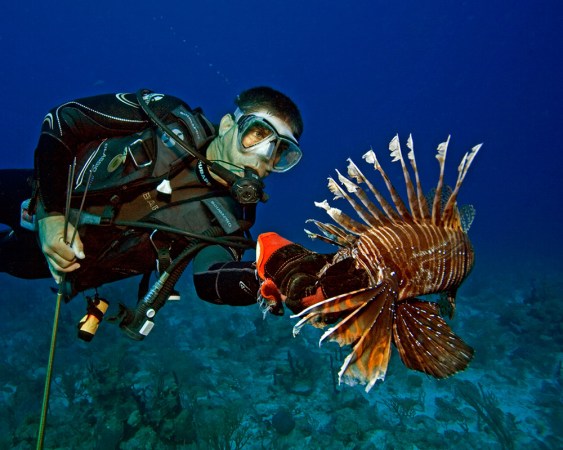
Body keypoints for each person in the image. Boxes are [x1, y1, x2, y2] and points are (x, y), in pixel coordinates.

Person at [0, 87, 311, 336]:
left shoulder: (232, 218)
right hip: (36, 194)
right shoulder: (165, 116)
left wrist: (279, 278)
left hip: (57, 263)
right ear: (228, 125)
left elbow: (210, 279)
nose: (265, 157)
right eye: (258, 134)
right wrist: (52, 215)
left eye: (282, 151)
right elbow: (63, 119)